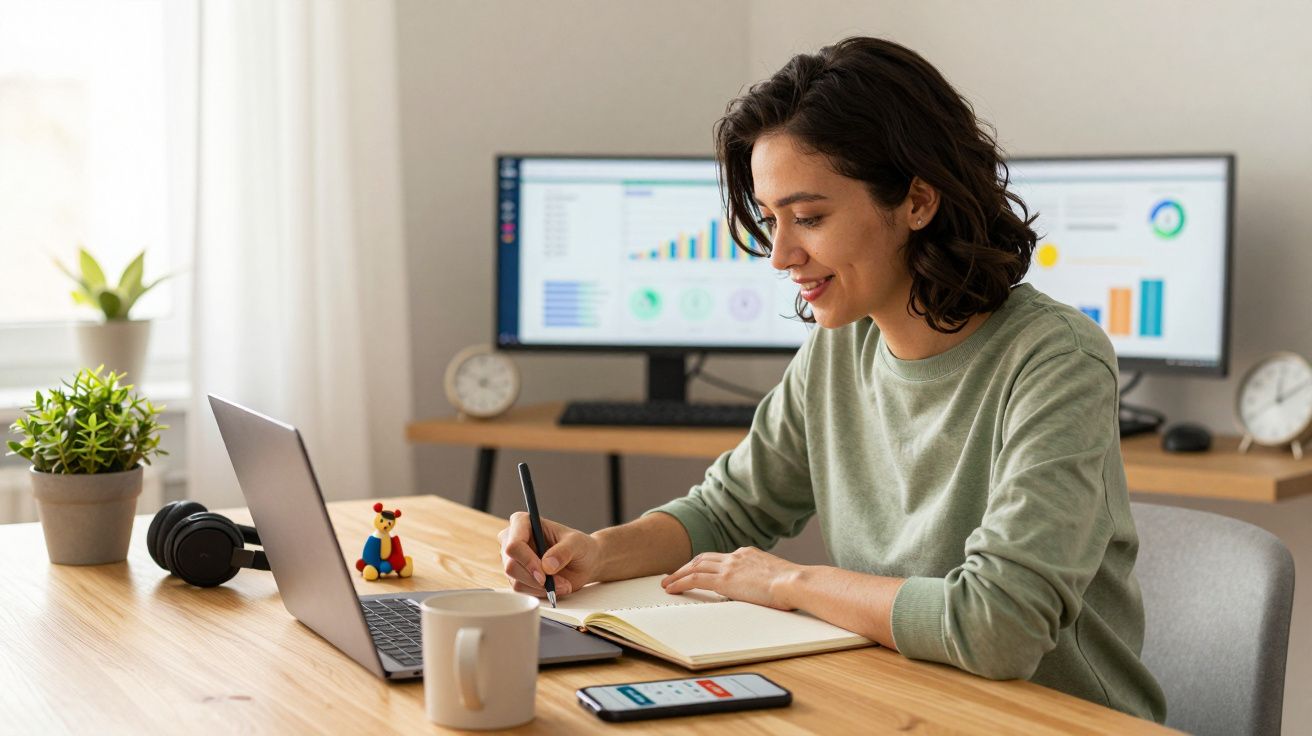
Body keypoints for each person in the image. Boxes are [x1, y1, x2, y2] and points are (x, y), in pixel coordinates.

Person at [497, 36, 1166, 722]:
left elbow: (999, 626)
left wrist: (789, 582)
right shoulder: (839, 345)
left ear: (918, 201)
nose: (782, 254)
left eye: (810, 218)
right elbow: (730, 509)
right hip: (908, 703)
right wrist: (595, 554)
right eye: (770, 220)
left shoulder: (1056, 361)